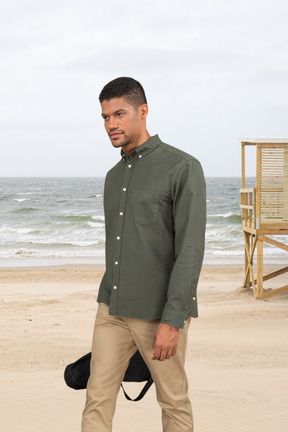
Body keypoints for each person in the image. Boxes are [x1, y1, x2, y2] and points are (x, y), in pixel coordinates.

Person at [82, 77, 206, 432]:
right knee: (97, 397)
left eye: (119, 114)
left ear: (143, 111)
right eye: (105, 117)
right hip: (111, 308)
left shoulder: (182, 167)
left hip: (158, 313)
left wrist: (174, 319)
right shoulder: (112, 176)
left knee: (173, 400)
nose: (111, 125)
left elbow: (190, 249)